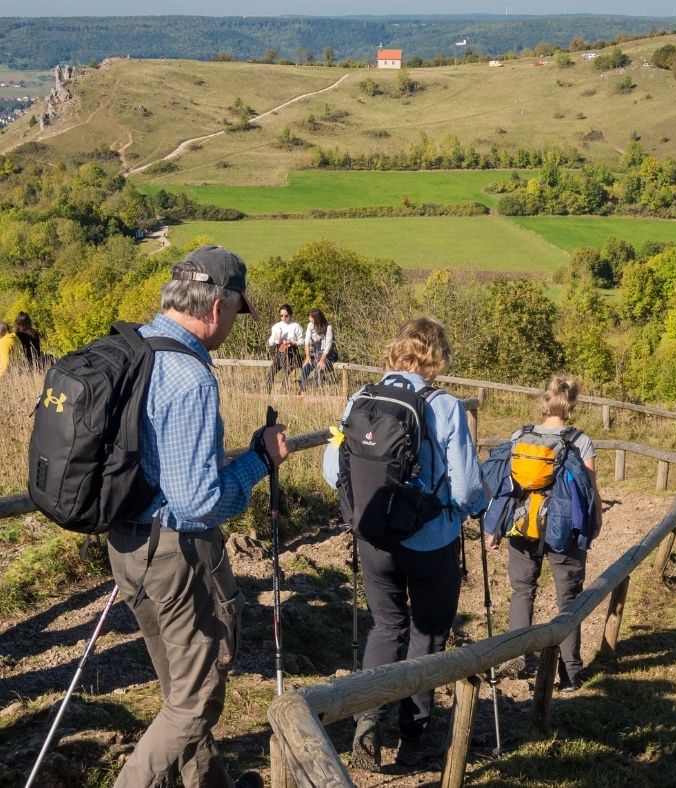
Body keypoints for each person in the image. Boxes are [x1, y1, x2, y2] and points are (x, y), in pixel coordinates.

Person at [107, 245, 289, 788]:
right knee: (193, 701)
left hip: (126, 544)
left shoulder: (131, 349)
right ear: (216, 308)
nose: (234, 324)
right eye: (236, 313)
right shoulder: (190, 378)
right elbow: (197, 503)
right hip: (176, 555)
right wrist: (260, 461)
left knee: (178, 689)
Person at [322, 317, 486, 772]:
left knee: (385, 626)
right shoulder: (446, 406)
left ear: (398, 351)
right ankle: (413, 738)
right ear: (436, 357)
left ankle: (368, 723)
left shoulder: (361, 398)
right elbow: (465, 489)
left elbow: (330, 467)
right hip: (431, 542)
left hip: (373, 539)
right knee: (427, 634)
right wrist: (472, 505)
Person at [486, 374, 603, 692]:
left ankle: (515, 659)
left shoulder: (520, 435)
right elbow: (589, 490)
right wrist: (594, 523)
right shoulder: (580, 440)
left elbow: (506, 489)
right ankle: (570, 672)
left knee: (523, 590)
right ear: (571, 404)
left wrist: (496, 528)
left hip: (524, 525)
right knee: (569, 599)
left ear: (544, 401)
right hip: (563, 529)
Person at [266, 304, 304, 391]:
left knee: (285, 372)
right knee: (271, 371)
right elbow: (270, 342)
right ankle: (267, 390)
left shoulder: (296, 326)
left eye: (286, 316)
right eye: (281, 316)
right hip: (280, 351)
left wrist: (292, 342)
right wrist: (277, 340)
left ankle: (284, 391)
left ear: (290, 315)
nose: (283, 318)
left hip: (292, 353)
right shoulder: (276, 326)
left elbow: (302, 341)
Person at [300, 308, 336, 393]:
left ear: (316, 318)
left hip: (326, 355)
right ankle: (303, 391)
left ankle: (316, 392)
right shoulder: (310, 325)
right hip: (314, 354)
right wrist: (308, 357)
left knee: (318, 370)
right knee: (305, 368)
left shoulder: (328, 327)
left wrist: (322, 360)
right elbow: (307, 341)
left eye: (311, 317)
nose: (309, 319)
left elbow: (328, 346)